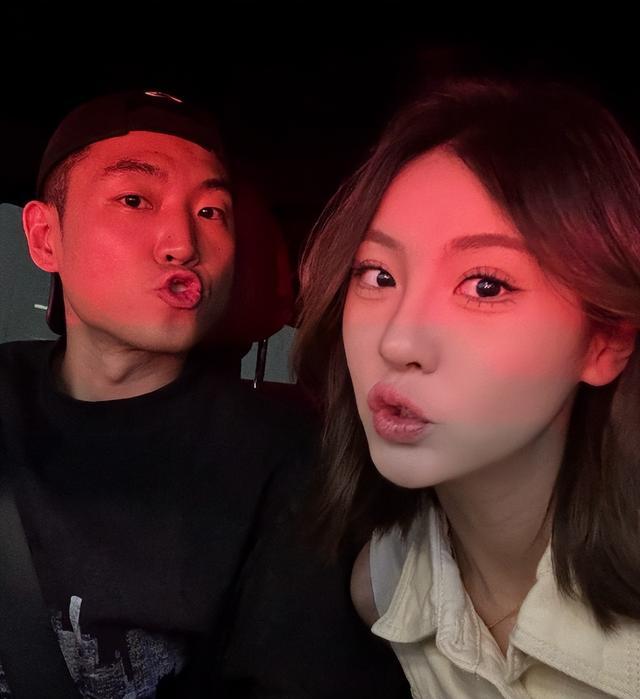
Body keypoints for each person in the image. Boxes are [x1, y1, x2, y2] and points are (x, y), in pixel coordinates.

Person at [0, 90, 409, 698]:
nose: (184, 244)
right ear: (44, 237)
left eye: (212, 212)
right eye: (135, 200)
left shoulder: (294, 463)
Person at [293, 78, 640, 698]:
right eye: (377, 275)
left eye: (485, 285)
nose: (397, 341)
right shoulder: (383, 585)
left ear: (604, 342)